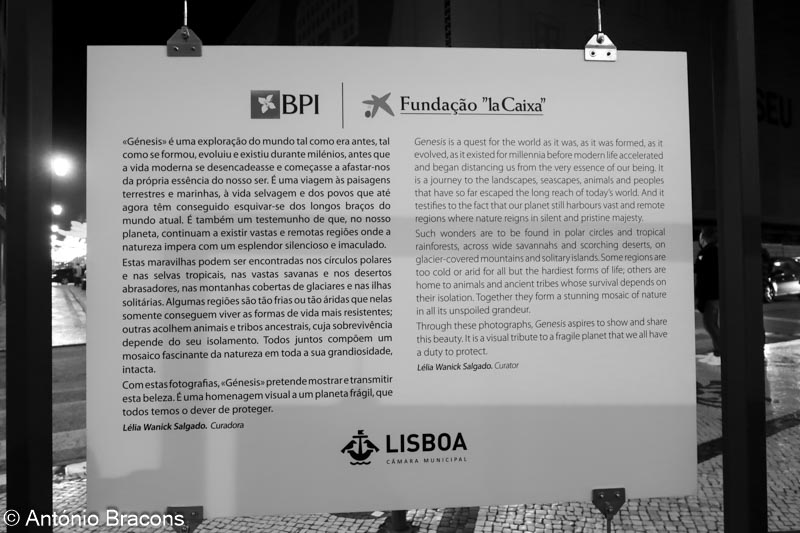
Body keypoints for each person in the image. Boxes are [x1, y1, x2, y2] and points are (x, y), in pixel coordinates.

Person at [695, 226, 721, 365]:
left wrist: (700, 297)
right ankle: (718, 349)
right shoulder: (716, 251)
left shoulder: (706, 252)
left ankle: (720, 350)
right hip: (714, 294)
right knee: (712, 324)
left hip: (709, 295)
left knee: (710, 324)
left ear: (704, 238)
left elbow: (699, 271)